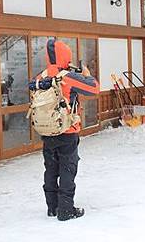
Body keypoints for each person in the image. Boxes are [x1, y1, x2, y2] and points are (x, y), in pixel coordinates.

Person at [32, 39, 99, 221]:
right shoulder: (67, 77)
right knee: (68, 170)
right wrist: (87, 75)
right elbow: (94, 89)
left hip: (47, 131)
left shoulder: (40, 77)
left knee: (51, 170)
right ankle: (66, 210)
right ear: (66, 55)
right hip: (67, 131)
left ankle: (52, 207)